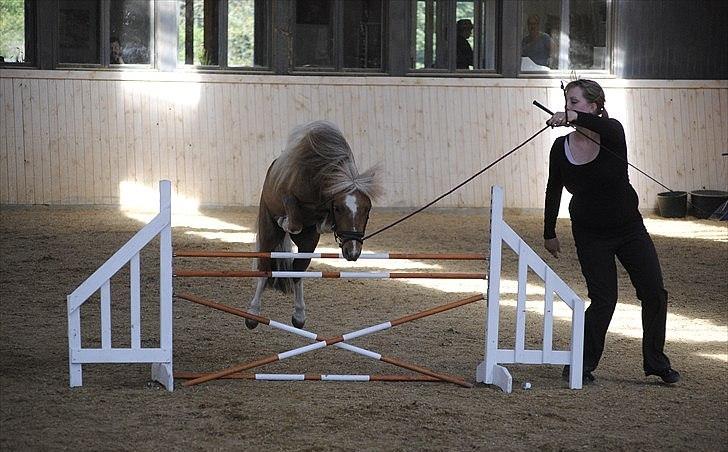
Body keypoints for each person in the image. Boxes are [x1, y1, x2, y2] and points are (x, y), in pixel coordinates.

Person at [543, 79, 680, 385]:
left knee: (654, 293)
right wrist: (548, 230)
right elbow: (553, 190)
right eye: (567, 102)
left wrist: (573, 118)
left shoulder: (614, 133)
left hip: (629, 229)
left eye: (575, 102)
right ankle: (580, 364)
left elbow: (606, 127)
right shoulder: (559, 147)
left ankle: (656, 362)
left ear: (594, 106)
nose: (568, 107)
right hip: (590, 233)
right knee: (604, 299)